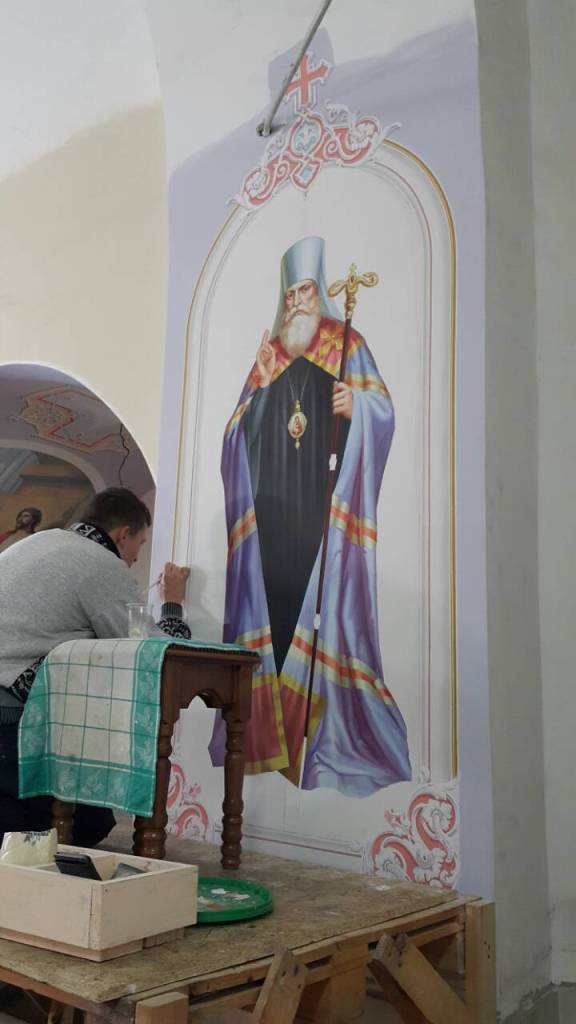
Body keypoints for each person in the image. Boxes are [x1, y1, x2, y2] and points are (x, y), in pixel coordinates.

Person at [210, 236, 411, 796]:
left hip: (321, 510)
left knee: (317, 616)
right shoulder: (271, 353)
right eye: (290, 294)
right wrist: (260, 391)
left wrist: (357, 405)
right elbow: (234, 434)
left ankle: (310, 737)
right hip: (272, 515)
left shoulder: (347, 342)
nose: (297, 302)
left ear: (319, 291)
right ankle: (268, 739)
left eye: (304, 290)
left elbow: (382, 411)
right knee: (272, 620)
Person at [0, 487, 191, 846]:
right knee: (87, 825)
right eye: (140, 544)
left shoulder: (34, 542)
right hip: (10, 717)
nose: (136, 558)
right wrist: (173, 605)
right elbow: (153, 650)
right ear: (123, 534)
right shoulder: (101, 562)